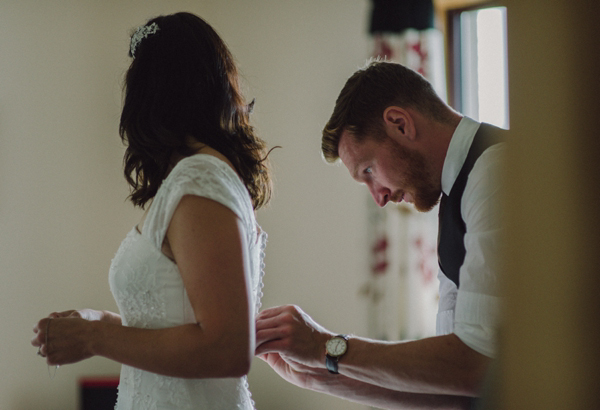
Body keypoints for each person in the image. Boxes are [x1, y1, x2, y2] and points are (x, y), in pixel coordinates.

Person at [31, 12, 272, 409]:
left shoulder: (199, 179)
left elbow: (227, 347)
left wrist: (96, 339)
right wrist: (95, 323)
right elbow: (172, 324)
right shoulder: (193, 178)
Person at [255, 60, 505, 409]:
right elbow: (452, 389)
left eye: (369, 170)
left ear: (400, 124)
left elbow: (474, 366)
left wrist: (324, 346)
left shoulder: (494, 174)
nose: (380, 197)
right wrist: (316, 373)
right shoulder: (455, 195)